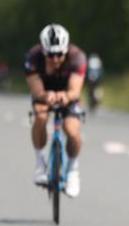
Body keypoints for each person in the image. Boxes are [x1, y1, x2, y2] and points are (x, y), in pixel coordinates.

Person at [24, 24, 86, 196]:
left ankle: (73, 170)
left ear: (66, 50)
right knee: (41, 117)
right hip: (44, 92)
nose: (56, 58)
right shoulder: (33, 57)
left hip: (67, 94)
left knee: (72, 130)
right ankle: (40, 164)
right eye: (51, 54)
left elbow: (75, 90)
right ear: (43, 51)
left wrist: (65, 97)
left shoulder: (77, 57)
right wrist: (46, 96)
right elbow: (36, 90)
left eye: (60, 54)